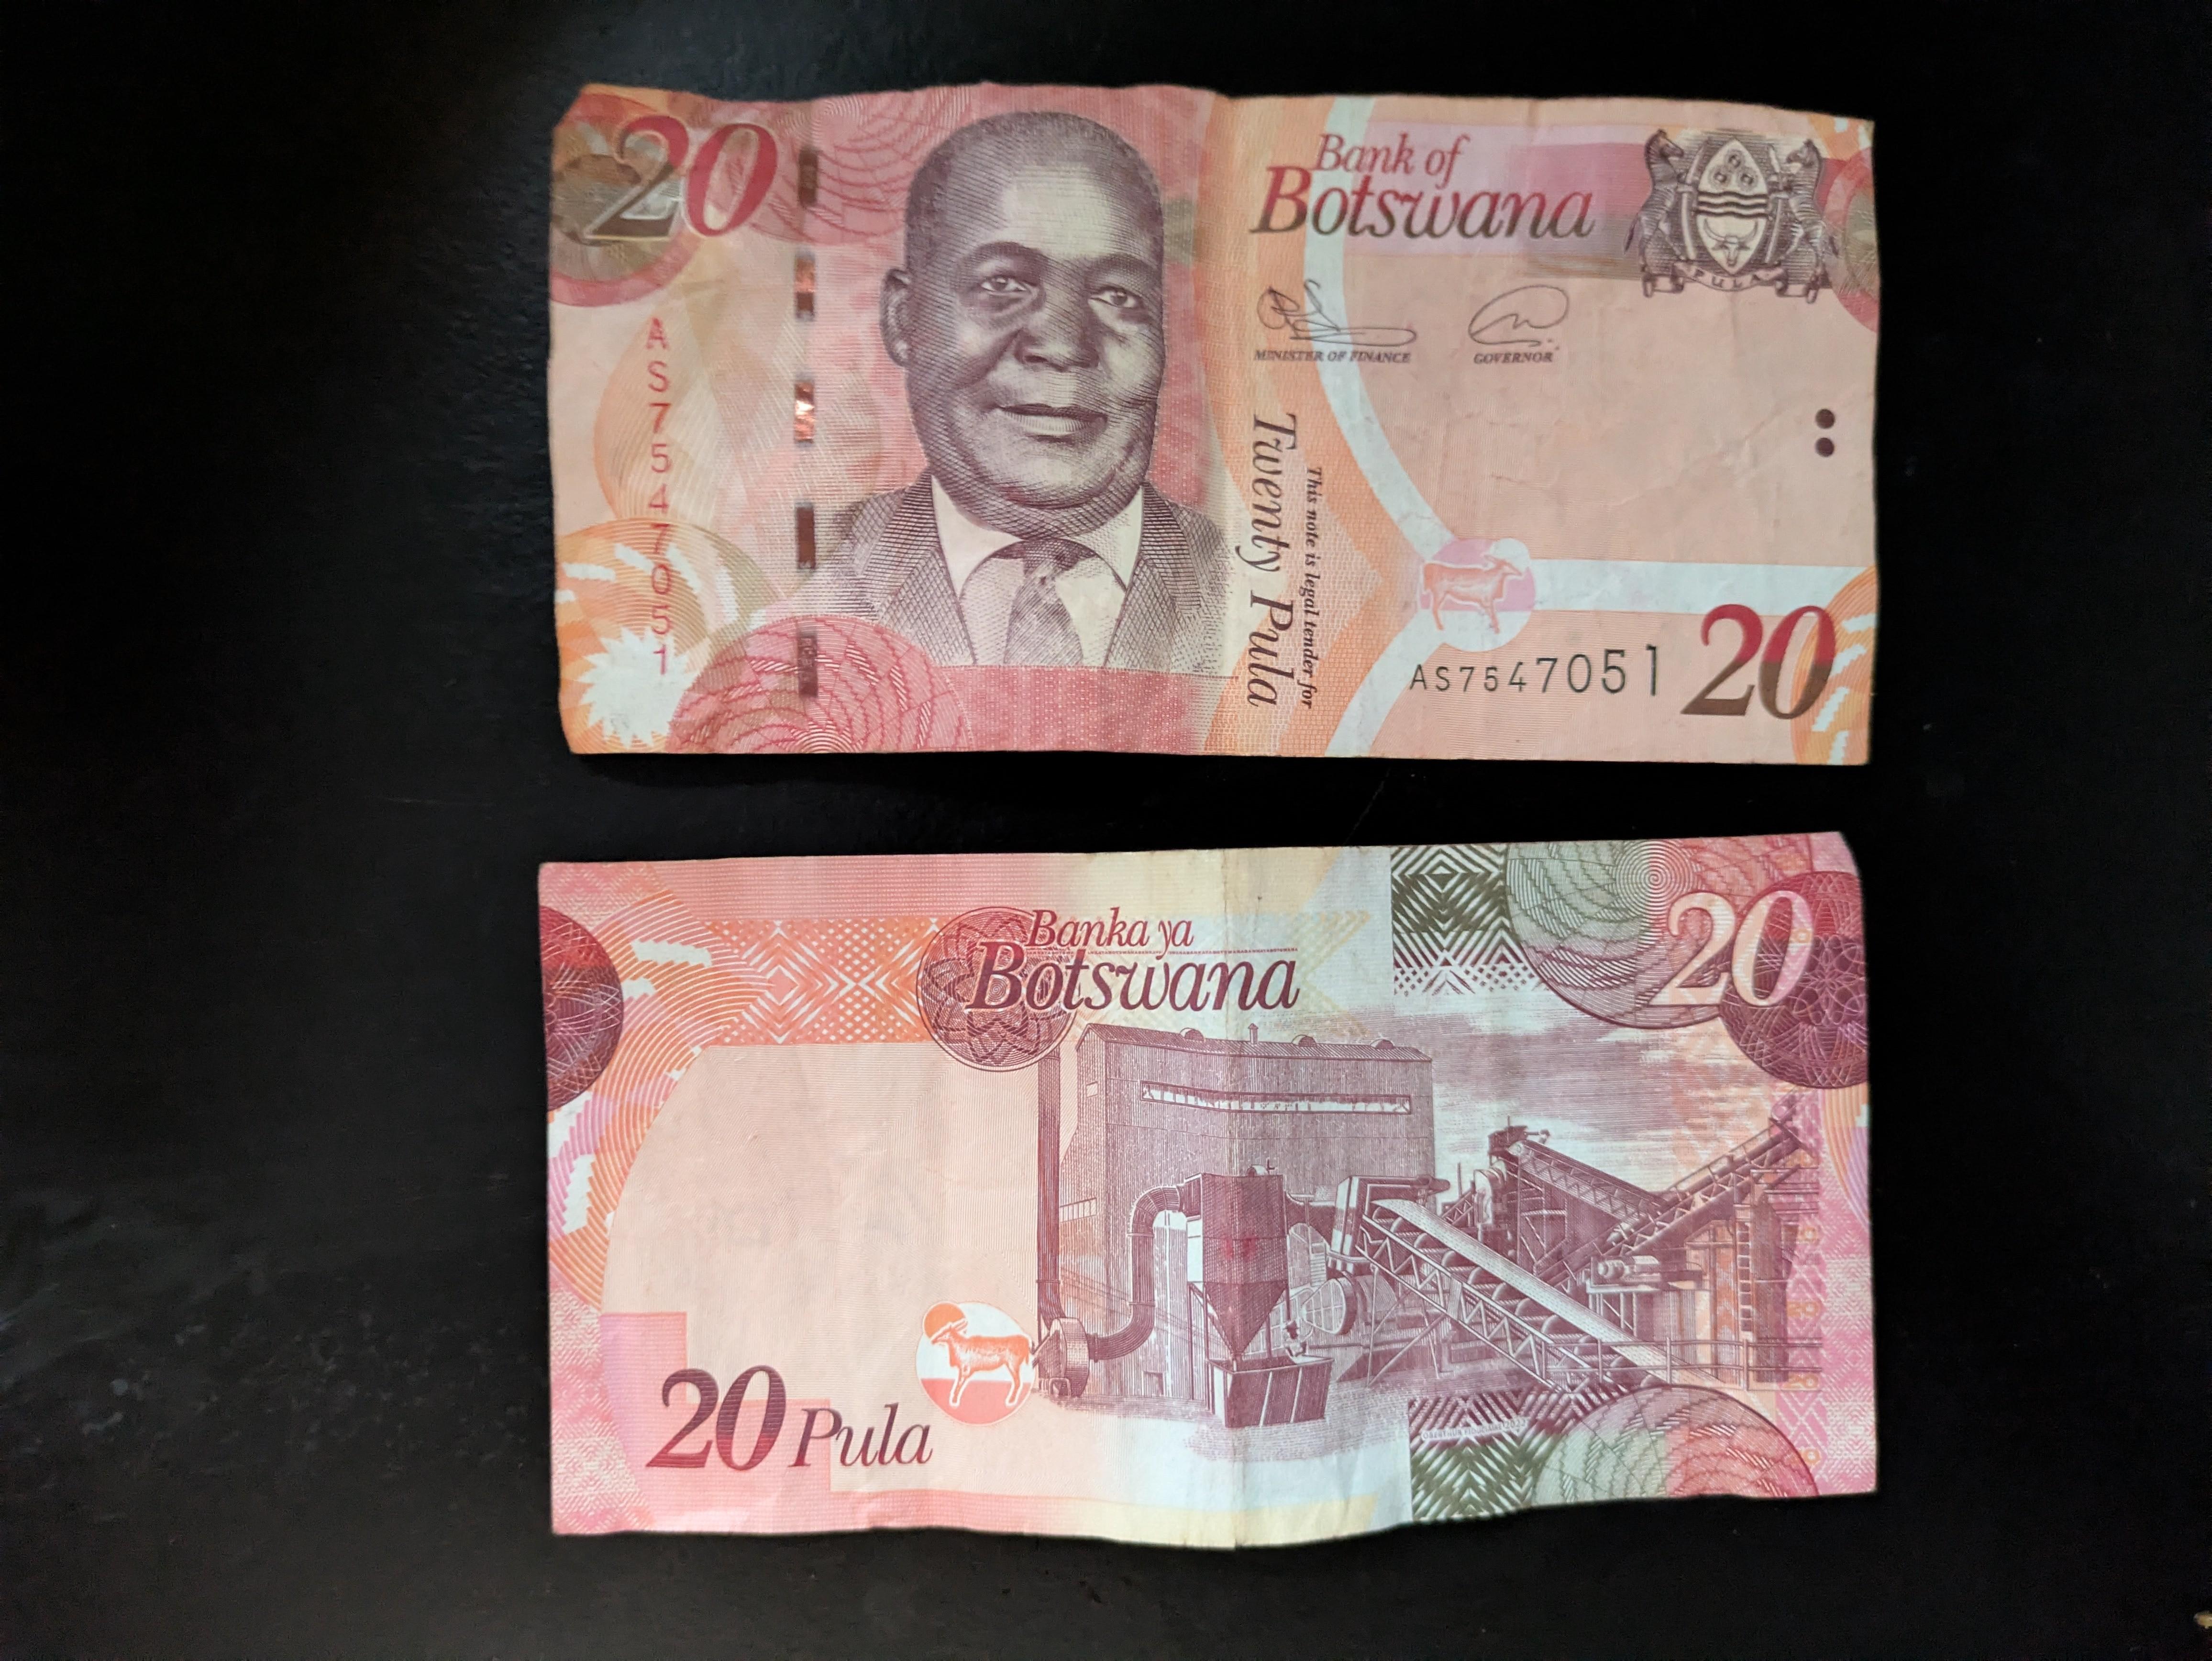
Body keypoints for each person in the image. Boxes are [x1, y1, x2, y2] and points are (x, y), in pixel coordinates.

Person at [795, 111, 1230, 674]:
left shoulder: (1263, 585)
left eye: (1118, 295)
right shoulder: (792, 575)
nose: (1064, 346)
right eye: (1001, 283)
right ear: (904, 319)